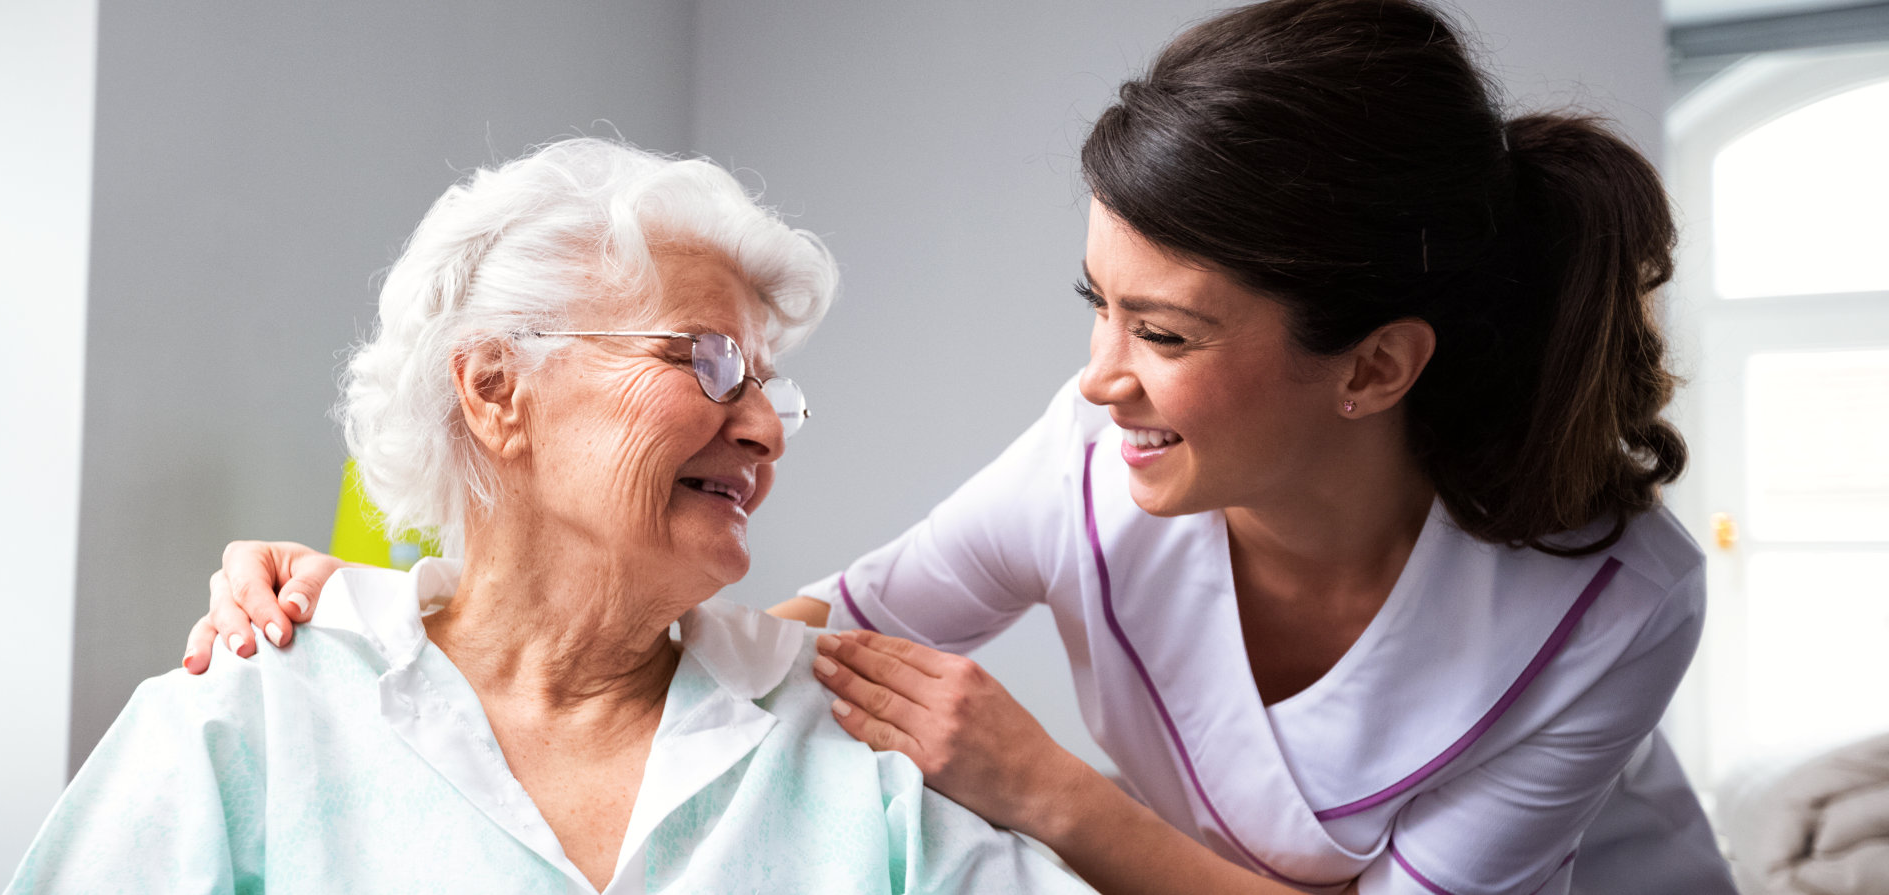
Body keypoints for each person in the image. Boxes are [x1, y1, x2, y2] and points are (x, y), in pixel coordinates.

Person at [181, 1, 1741, 892]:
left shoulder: (1608, 606)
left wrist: (1051, 788)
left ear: (1376, 368)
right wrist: (414, 622)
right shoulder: (1088, 460)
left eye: (1169, 335)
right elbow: (809, 641)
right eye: (1099, 305)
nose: (1100, 379)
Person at [9, 138, 1089, 895]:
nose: (766, 428)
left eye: (771, 386)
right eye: (708, 361)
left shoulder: (857, 746)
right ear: (494, 390)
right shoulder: (247, 721)